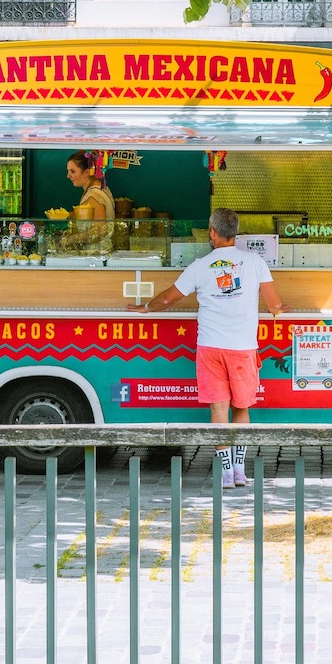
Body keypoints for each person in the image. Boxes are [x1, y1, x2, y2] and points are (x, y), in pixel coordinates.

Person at [127, 208, 287, 489]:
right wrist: (279, 309)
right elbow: (274, 304)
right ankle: (239, 471)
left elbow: (167, 299)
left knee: (218, 408)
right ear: (235, 234)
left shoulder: (200, 266)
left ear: (212, 233)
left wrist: (145, 308)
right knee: (242, 407)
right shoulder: (254, 262)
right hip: (243, 348)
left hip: (210, 347)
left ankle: (225, 473)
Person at [63, 150, 116, 252]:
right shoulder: (100, 188)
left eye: (72, 171)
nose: (68, 176)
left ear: (87, 172)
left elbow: (100, 231)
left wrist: (70, 239)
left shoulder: (93, 196)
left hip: (95, 256)